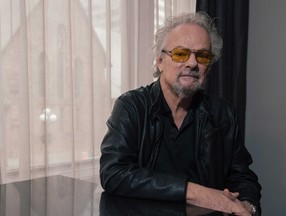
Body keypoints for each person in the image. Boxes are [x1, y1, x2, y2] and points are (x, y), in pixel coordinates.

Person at [100, 11, 261, 216]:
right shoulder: (131, 106)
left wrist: (248, 206)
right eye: (180, 54)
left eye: (202, 56)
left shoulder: (223, 113)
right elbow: (113, 173)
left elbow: (243, 176)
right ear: (160, 61)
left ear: (208, 68)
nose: (192, 63)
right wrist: (194, 192)